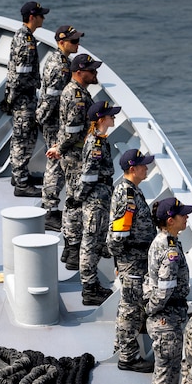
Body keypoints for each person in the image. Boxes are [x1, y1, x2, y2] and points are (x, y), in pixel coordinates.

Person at [144, 196, 192, 384]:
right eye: (183, 215)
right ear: (170, 220)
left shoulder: (162, 241)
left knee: (166, 371)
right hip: (167, 320)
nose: (187, 217)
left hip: (167, 316)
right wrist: (153, 312)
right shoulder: (170, 249)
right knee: (166, 373)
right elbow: (163, 290)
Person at [44, 53, 101, 270]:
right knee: (76, 202)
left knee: (72, 200)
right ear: (79, 72)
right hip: (76, 156)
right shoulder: (77, 96)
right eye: (91, 70)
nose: (95, 73)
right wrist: (62, 149)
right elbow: (73, 130)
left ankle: (70, 247)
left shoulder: (74, 91)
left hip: (72, 153)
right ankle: (73, 248)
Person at [107, 149, 156, 372]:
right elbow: (118, 236)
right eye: (143, 165)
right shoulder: (127, 197)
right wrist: (123, 261)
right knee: (131, 308)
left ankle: (122, 344)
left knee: (130, 305)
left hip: (135, 259)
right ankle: (127, 358)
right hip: (132, 261)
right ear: (133, 169)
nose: (147, 168)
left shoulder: (132, 191)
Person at [37, 25, 83, 230]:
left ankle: (51, 206)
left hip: (57, 120)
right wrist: (43, 120)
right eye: (73, 41)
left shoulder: (62, 61)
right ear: (62, 42)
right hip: (55, 122)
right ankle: (50, 210)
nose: (77, 44)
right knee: (55, 163)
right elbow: (51, 98)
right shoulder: (60, 66)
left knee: (57, 162)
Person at [76, 100, 119, 306]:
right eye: (111, 115)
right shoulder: (96, 144)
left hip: (101, 197)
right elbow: (88, 175)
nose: (114, 117)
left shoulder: (100, 140)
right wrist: (79, 197)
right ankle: (89, 289)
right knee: (90, 244)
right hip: (95, 200)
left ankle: (92, 284)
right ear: (101, 119)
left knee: (95, 242)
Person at [5, 1, 49, 196]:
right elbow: (22, 74)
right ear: (32, 17)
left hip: (21, 97)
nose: (43, 18)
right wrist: (15, 98)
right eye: (40, 15)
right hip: (24, 99)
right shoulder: (26, 41)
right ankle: (21, 184)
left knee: (20, 137)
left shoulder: (21, 36)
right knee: (23, 139)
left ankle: (19, 175)